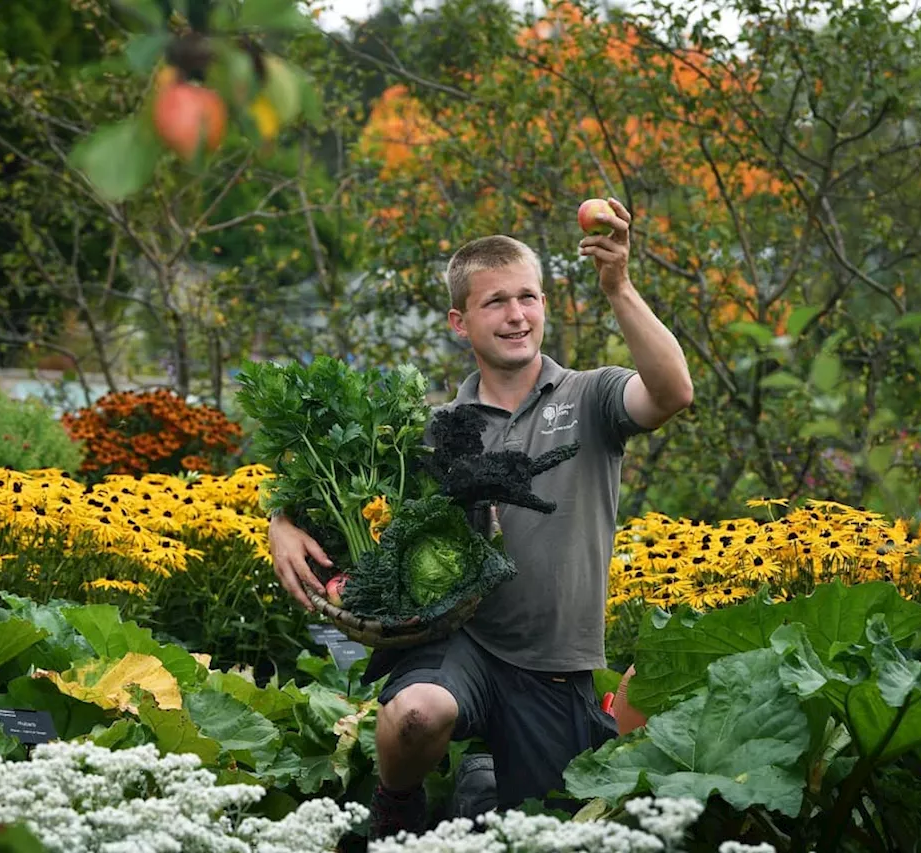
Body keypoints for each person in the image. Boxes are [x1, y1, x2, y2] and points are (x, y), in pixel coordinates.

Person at [267, 198, 693, 838]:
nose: (517, 315)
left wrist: (619, 285)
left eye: (529, 298)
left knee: (545, 833)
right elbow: (336, 499)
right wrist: (280, 520)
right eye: (495, 302)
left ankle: (482, 778)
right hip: (457, 646)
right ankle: (398, 807)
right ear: (459, 322)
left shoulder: (591, 396)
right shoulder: (432, 430)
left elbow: (672, 392)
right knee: (416, 713)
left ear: (545, 306)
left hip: (554, 659)